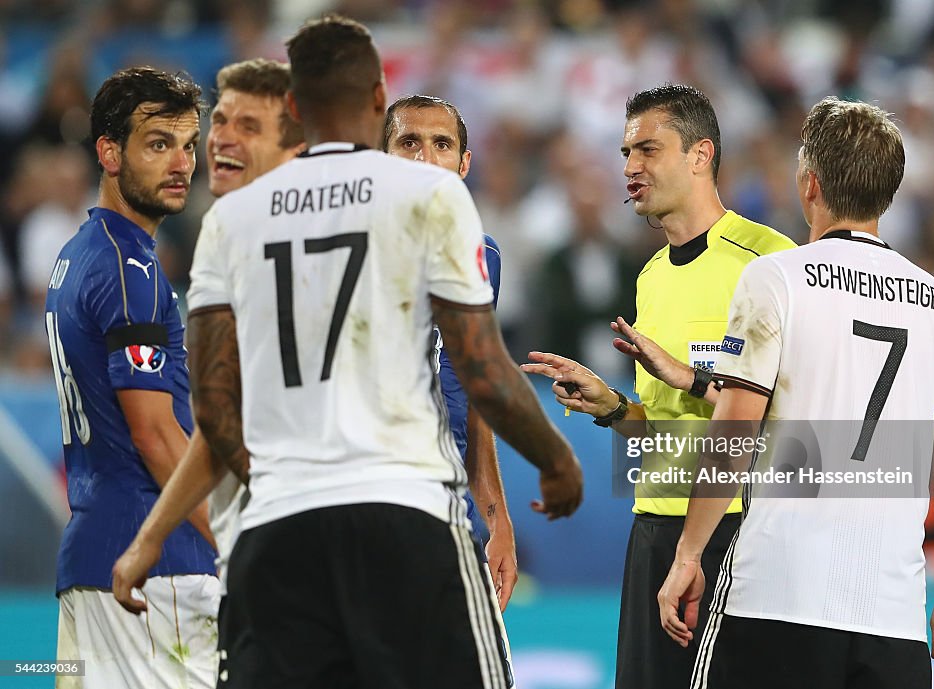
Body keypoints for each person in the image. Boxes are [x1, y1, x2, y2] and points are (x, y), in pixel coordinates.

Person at [130, 15, 581, 689]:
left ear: (293, 107)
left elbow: (216, 410)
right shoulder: (431, 199)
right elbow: (484, 367)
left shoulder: (231, 219)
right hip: (404, 512)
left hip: (277, 525)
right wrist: (555, 457)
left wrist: (278, 488)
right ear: (377, 100)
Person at [655, 97, 934, 688]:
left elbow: (735, 428)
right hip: (892, 616)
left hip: (775, 595)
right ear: (888, 193)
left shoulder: (774, 279)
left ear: (810, 184)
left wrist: (688, 555)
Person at [521, 84, 794, 689]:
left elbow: (798, 421)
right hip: (655, 528)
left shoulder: (770, 261)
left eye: (648, 149)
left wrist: (691, 377)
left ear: (700, 155)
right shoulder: (648, 276)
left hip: (739, 533)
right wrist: (615, 407)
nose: (630, 167)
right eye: (625, 152)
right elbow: (661, 425)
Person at [111, 57, 305, 684]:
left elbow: (223, 419)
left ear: (294, 146)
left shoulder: (275, 245)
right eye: (218, 121)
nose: (219, 139)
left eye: (248, 125)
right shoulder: (229, 238)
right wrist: (151, 537)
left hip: (301, 550)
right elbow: (223, 421)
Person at [45, 67, 218, 689]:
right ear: (109, 152)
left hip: (93, 563)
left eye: (189, 144)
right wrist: (233, 538)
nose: (181, 162)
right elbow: (155, 435)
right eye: (158, 143)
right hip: (156, 576)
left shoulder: (75, 258)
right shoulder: (131, 268)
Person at [382, 94, 517, 608]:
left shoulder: (484, 257)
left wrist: (494, 514)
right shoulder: (340, 251)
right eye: (408, 142)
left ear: (463, 164)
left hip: (452, 513)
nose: (424, 158)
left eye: (441, 144)